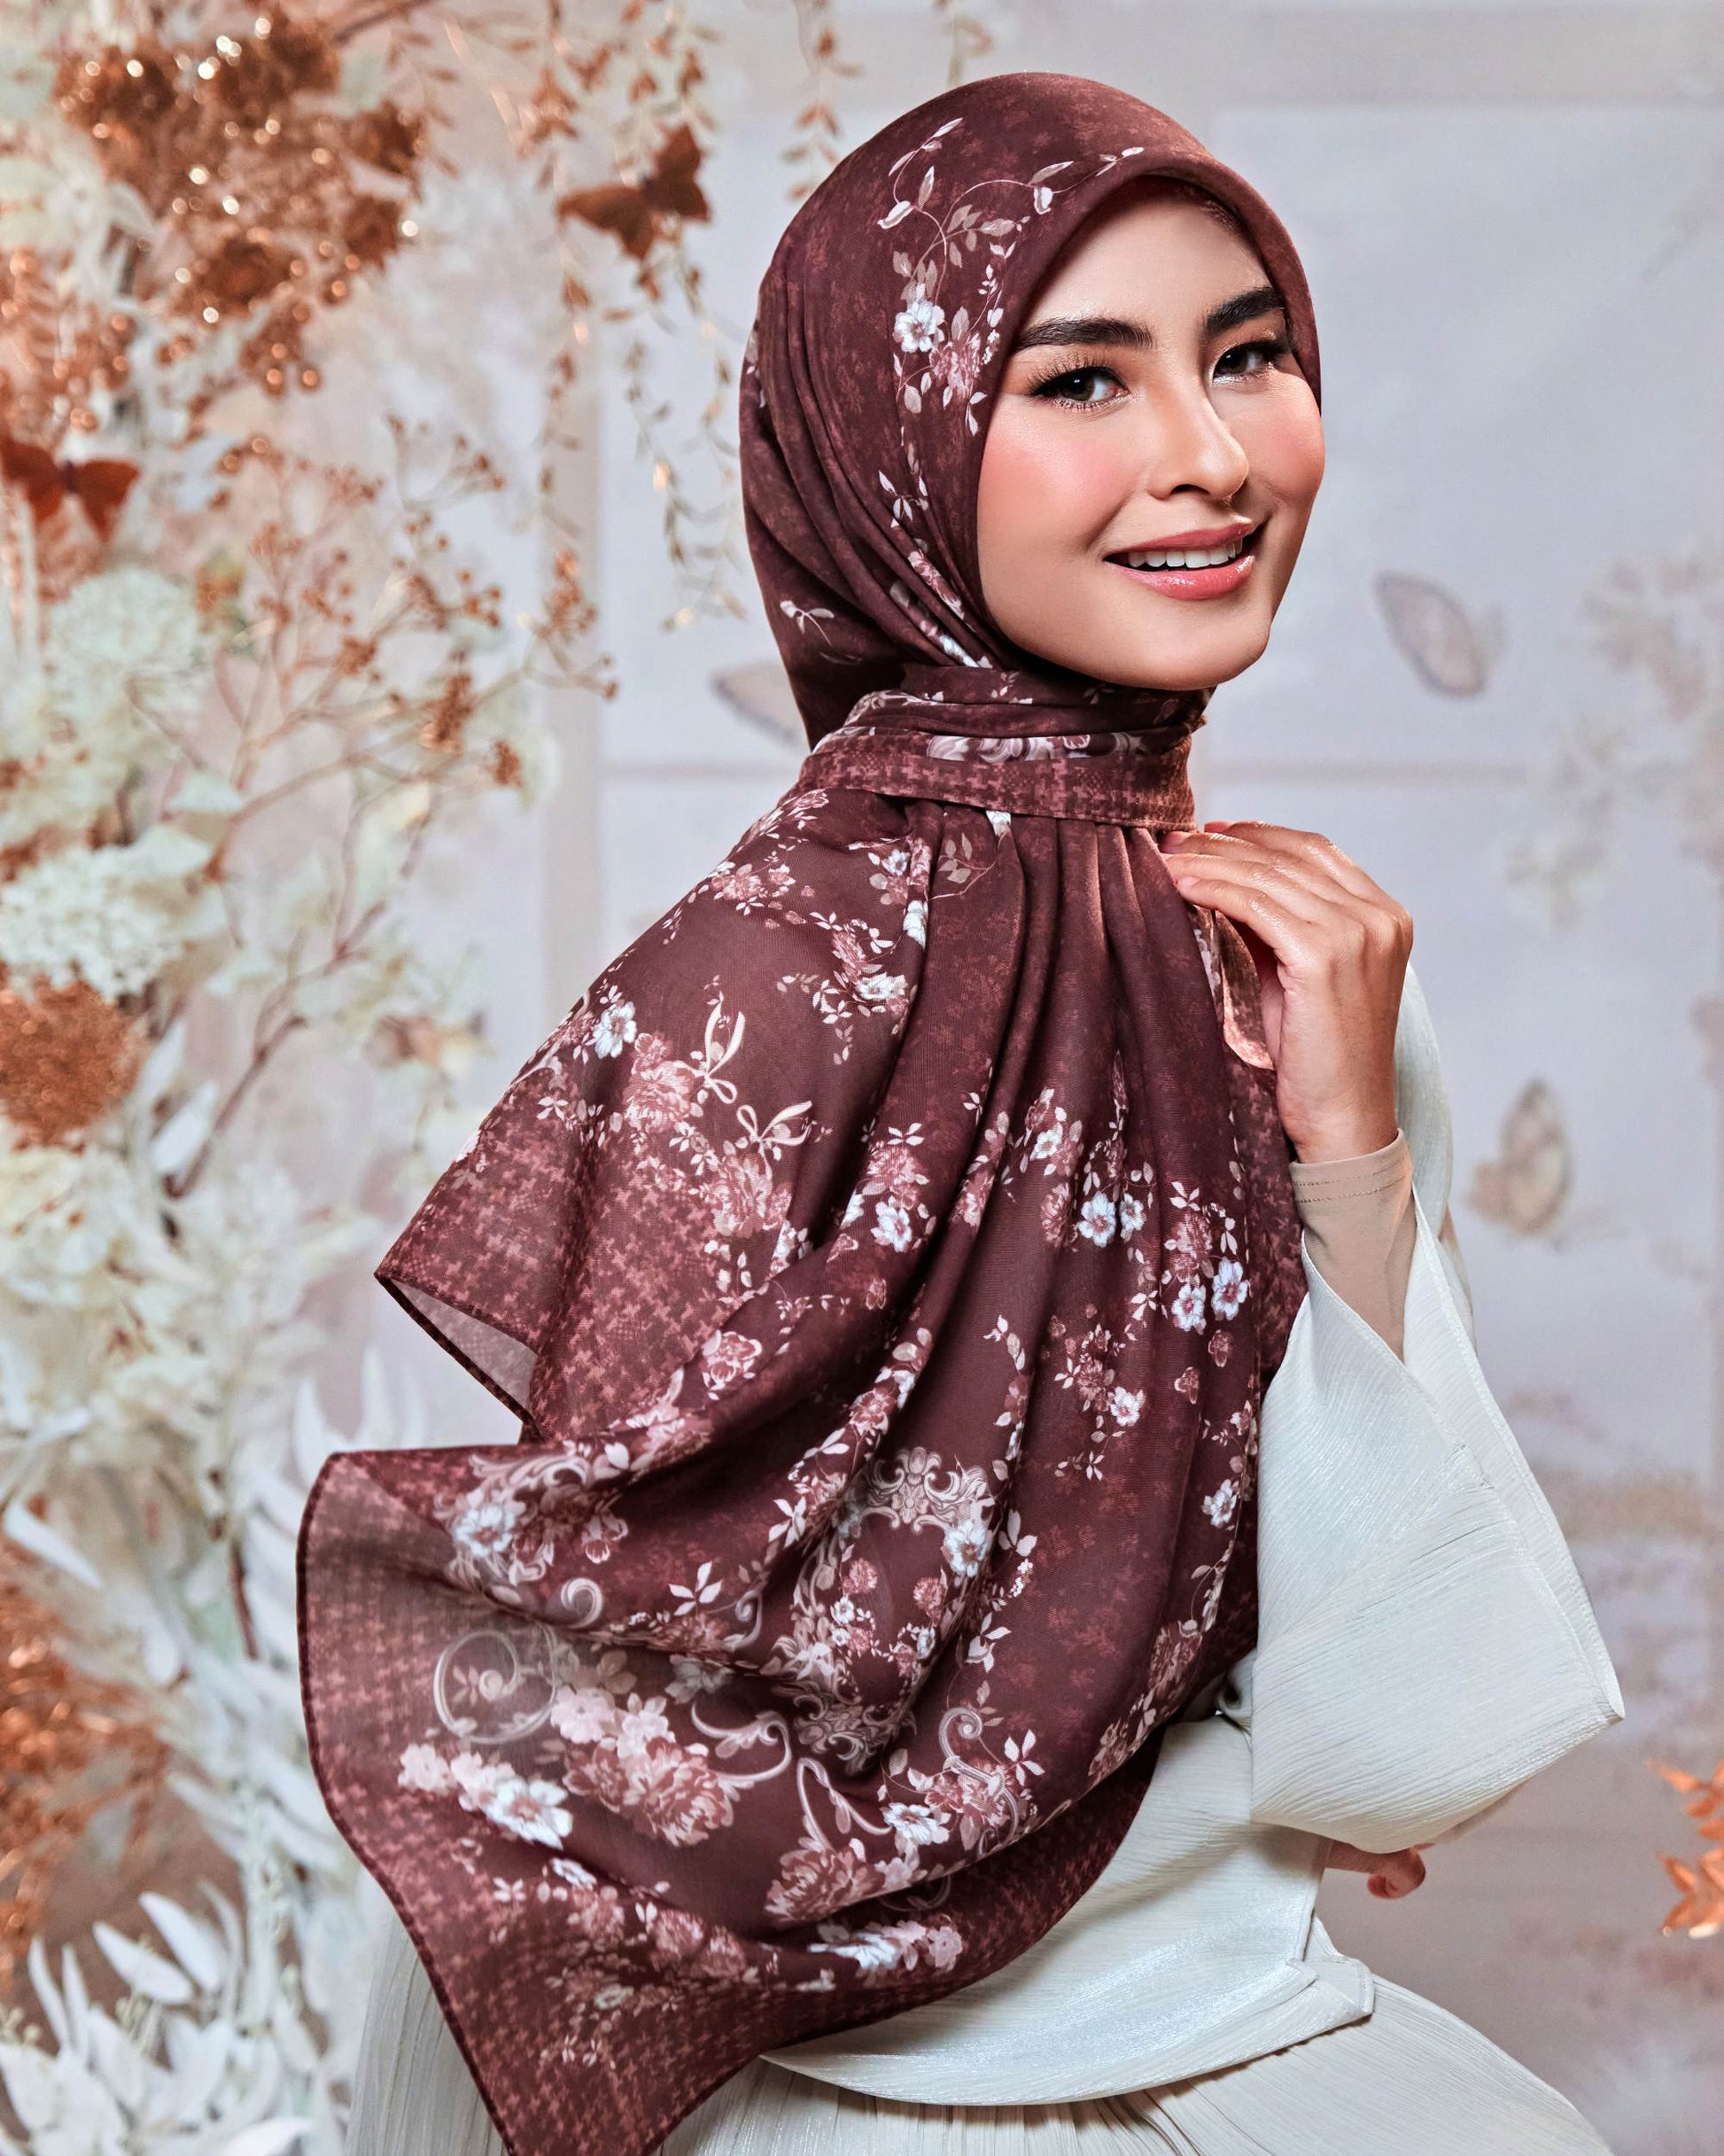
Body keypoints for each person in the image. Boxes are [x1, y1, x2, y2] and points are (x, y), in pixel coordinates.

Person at [299, 71, 1624, 2156]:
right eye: (1082, 378)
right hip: (802, 2074)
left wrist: (1352, 1153)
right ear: (889, 451)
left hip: (1213, 1999)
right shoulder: (777, 974)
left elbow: (1395, 1724)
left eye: (1247, 354)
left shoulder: (1305, 959)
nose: (1211, 454)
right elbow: (645, 1702)